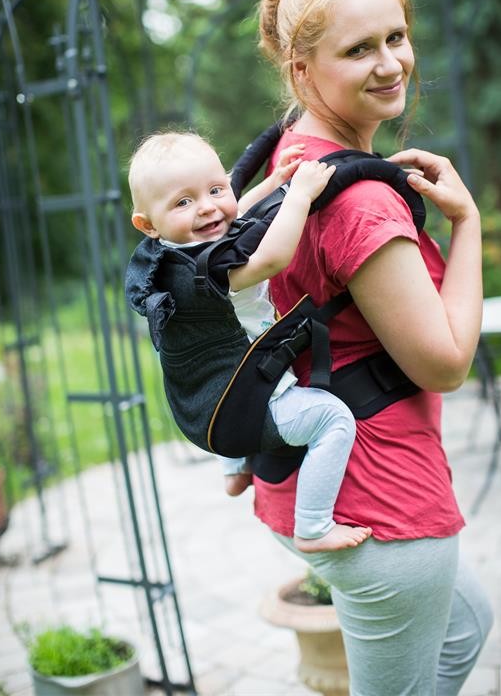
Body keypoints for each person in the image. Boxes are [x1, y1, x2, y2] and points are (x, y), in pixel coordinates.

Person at [250, 0, 493, 694]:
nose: (391, 64)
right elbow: (445, 362)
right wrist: (468, 223)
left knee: (467, 626)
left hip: (309, 480)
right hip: (381, 508)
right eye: (359, 49)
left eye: (396, 37)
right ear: (302, 69)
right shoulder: (361, 200)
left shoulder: (291, 157)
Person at [127, 130, 373, 553]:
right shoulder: (208, 272)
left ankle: (235, 470)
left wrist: (273, 181)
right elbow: (270, 259)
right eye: (183, 202)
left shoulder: (167, 257)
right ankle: (313, 527)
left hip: (201, 404)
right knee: (333, 419)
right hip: (241, 406)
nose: (207, 207)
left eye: (215, 189)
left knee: (219, 369)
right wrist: (298, 196)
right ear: (147, 224)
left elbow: (235, 216)